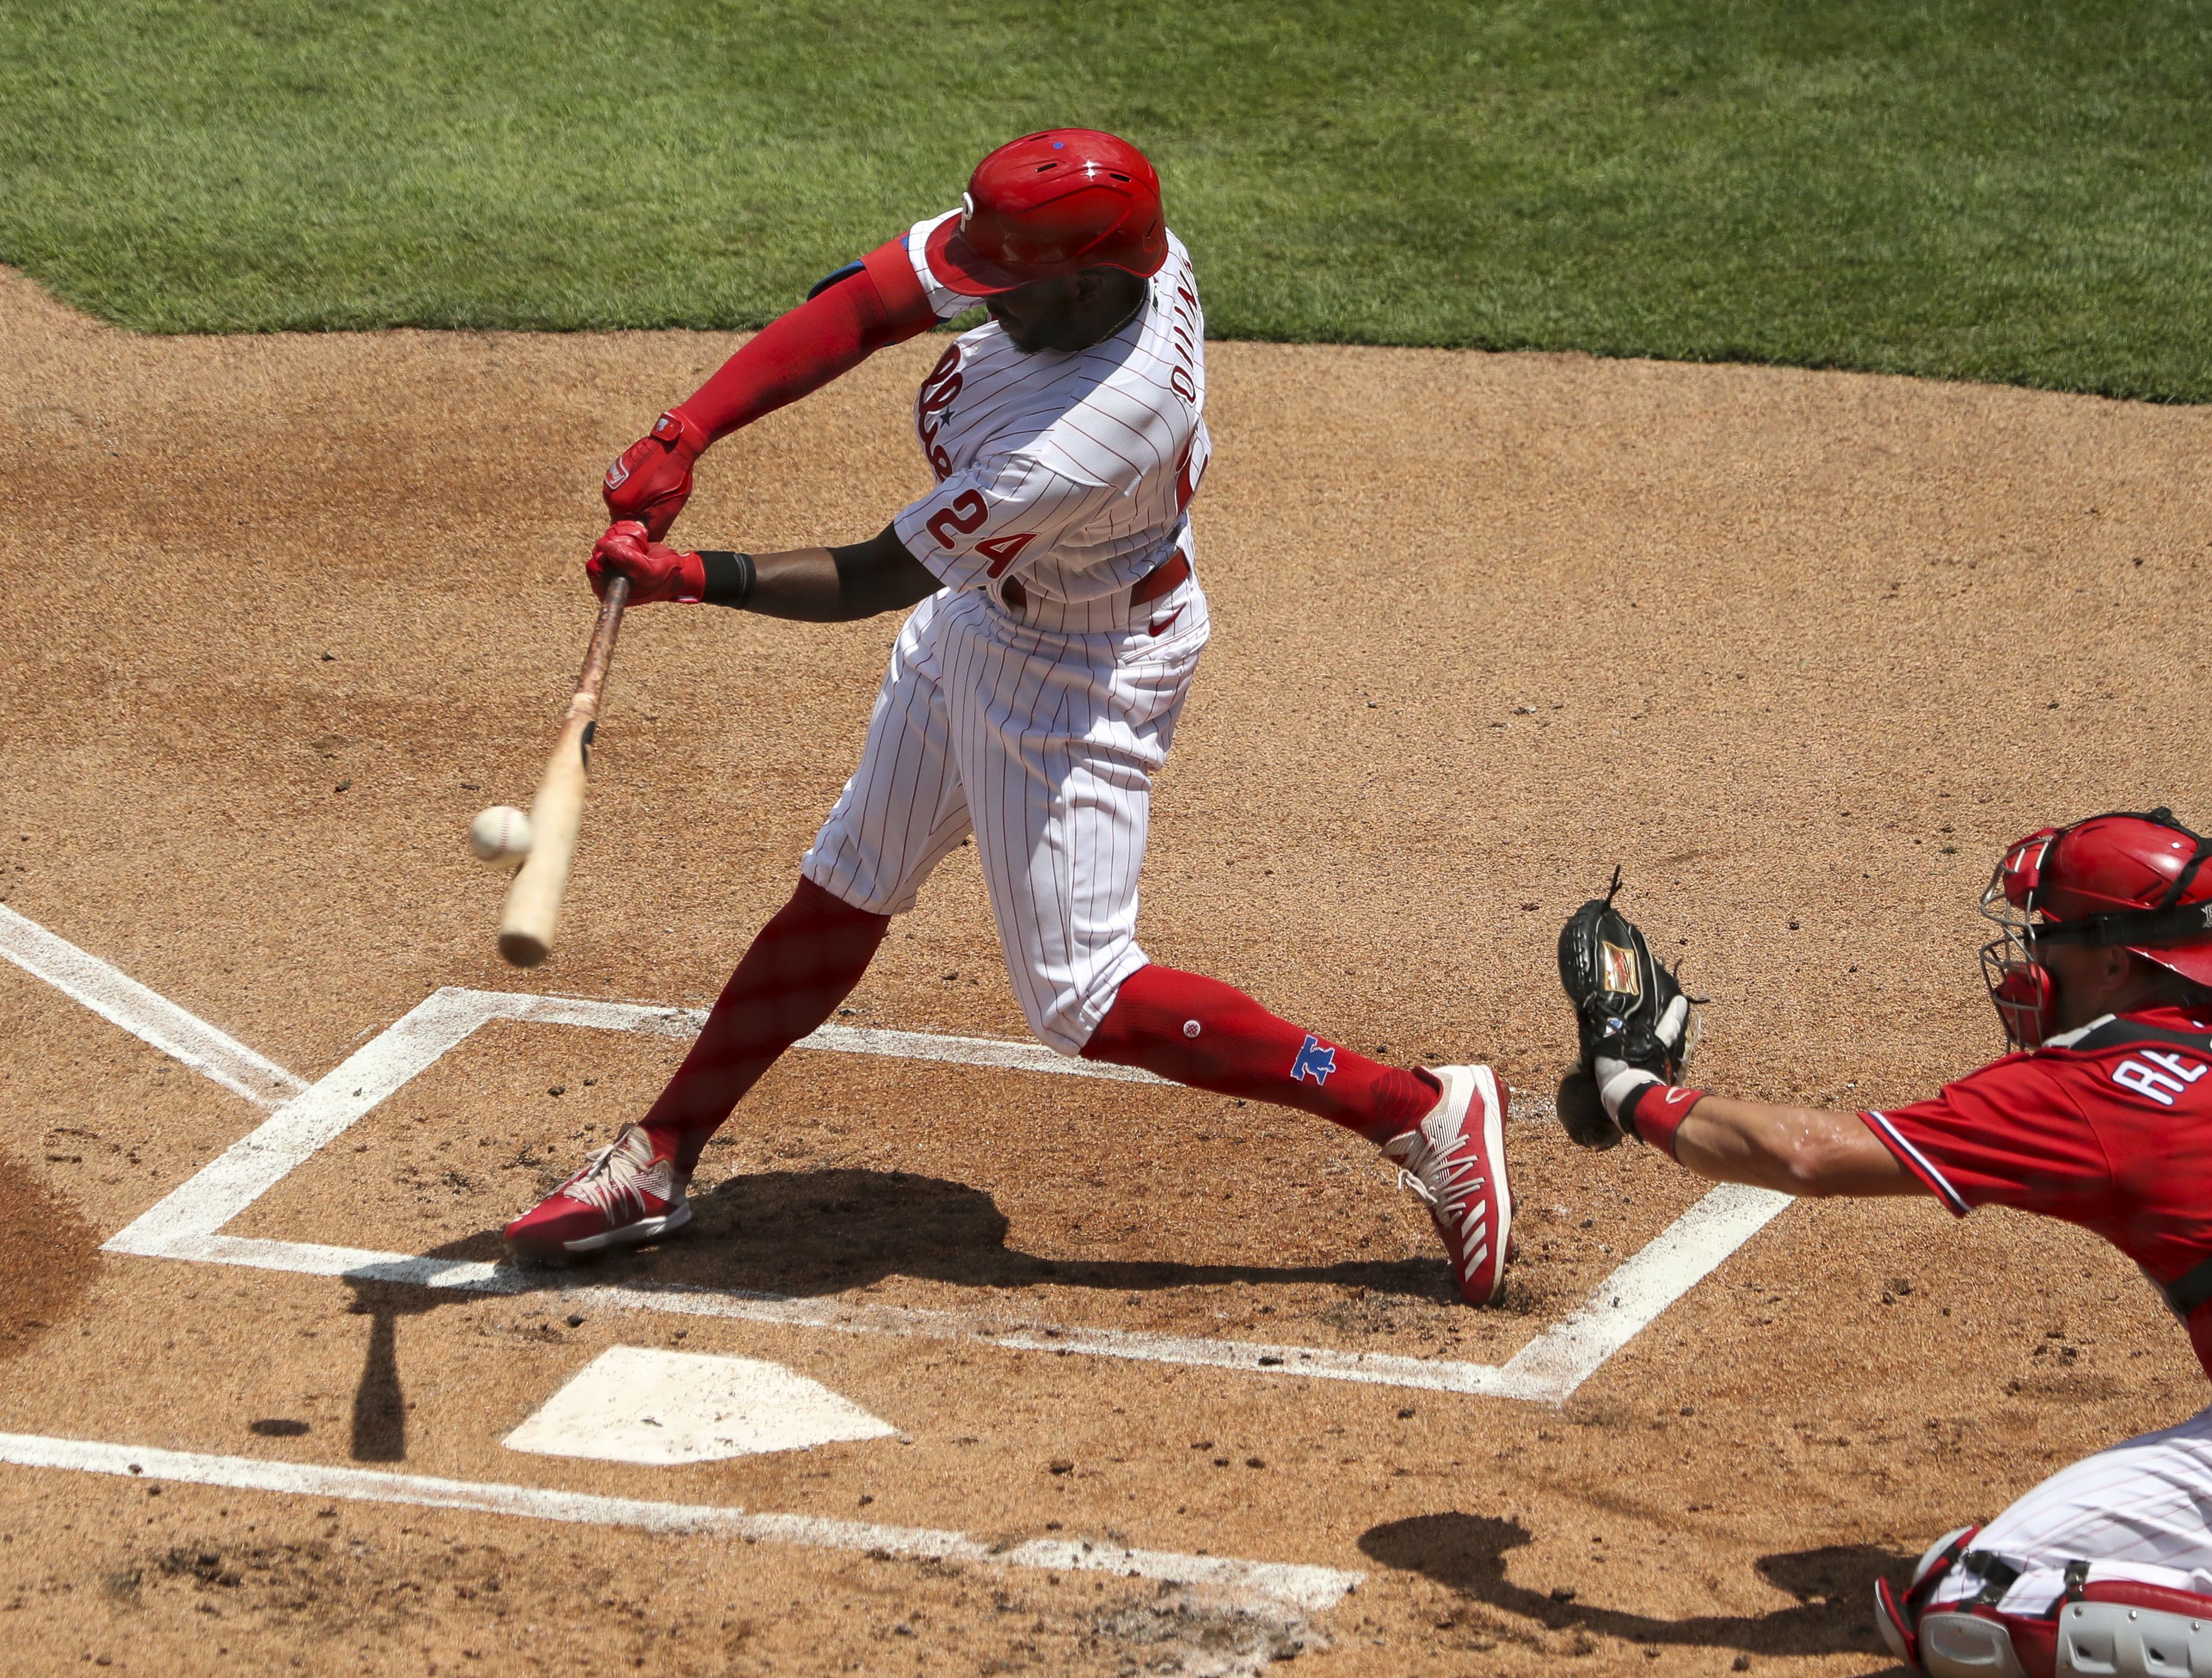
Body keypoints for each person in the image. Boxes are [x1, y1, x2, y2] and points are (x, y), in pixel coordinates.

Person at [502, 130, 1513, 1307]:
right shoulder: (1116, 249)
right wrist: (687, 431)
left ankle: (1422, 1112)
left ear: (1088, 282)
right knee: (850, 878)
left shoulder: (1091, 433)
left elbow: (879, 574)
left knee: (1080, 995)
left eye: (1006, 284)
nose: (974, 295)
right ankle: (660, 1159)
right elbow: (877, 299)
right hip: (994, 613)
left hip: (1074, 668)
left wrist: (693, 578)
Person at [1570, 808, 2212, 1678]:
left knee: (1962, 1601)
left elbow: (1809, 1155)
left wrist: (1630, 1088)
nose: (2026, 961)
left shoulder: (2092, 1087)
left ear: (2116, 963)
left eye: (2045, 936)